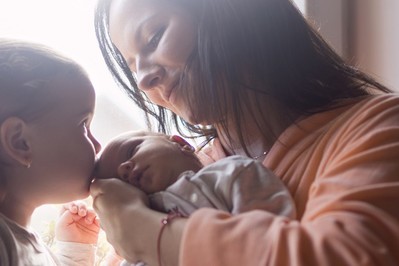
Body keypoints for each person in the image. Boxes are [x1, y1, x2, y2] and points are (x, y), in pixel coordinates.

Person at [90, 0, 399, 265]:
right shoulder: (180, 174)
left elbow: (349, 255)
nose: (143, 80)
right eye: (133, 67)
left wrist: (147, 232)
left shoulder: (379, 126)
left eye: (155, 37)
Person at [96, 130, 296, 265]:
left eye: (131, 150)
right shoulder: (133, 244)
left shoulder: (230, 174)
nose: (123, 169)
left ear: (180, 143)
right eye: (117, 184)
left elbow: (273, 244)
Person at [0, 38, 102, 265]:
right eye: (83, 126)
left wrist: (75, 253)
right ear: (20, 142)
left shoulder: (19, 241)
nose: (97, 145)